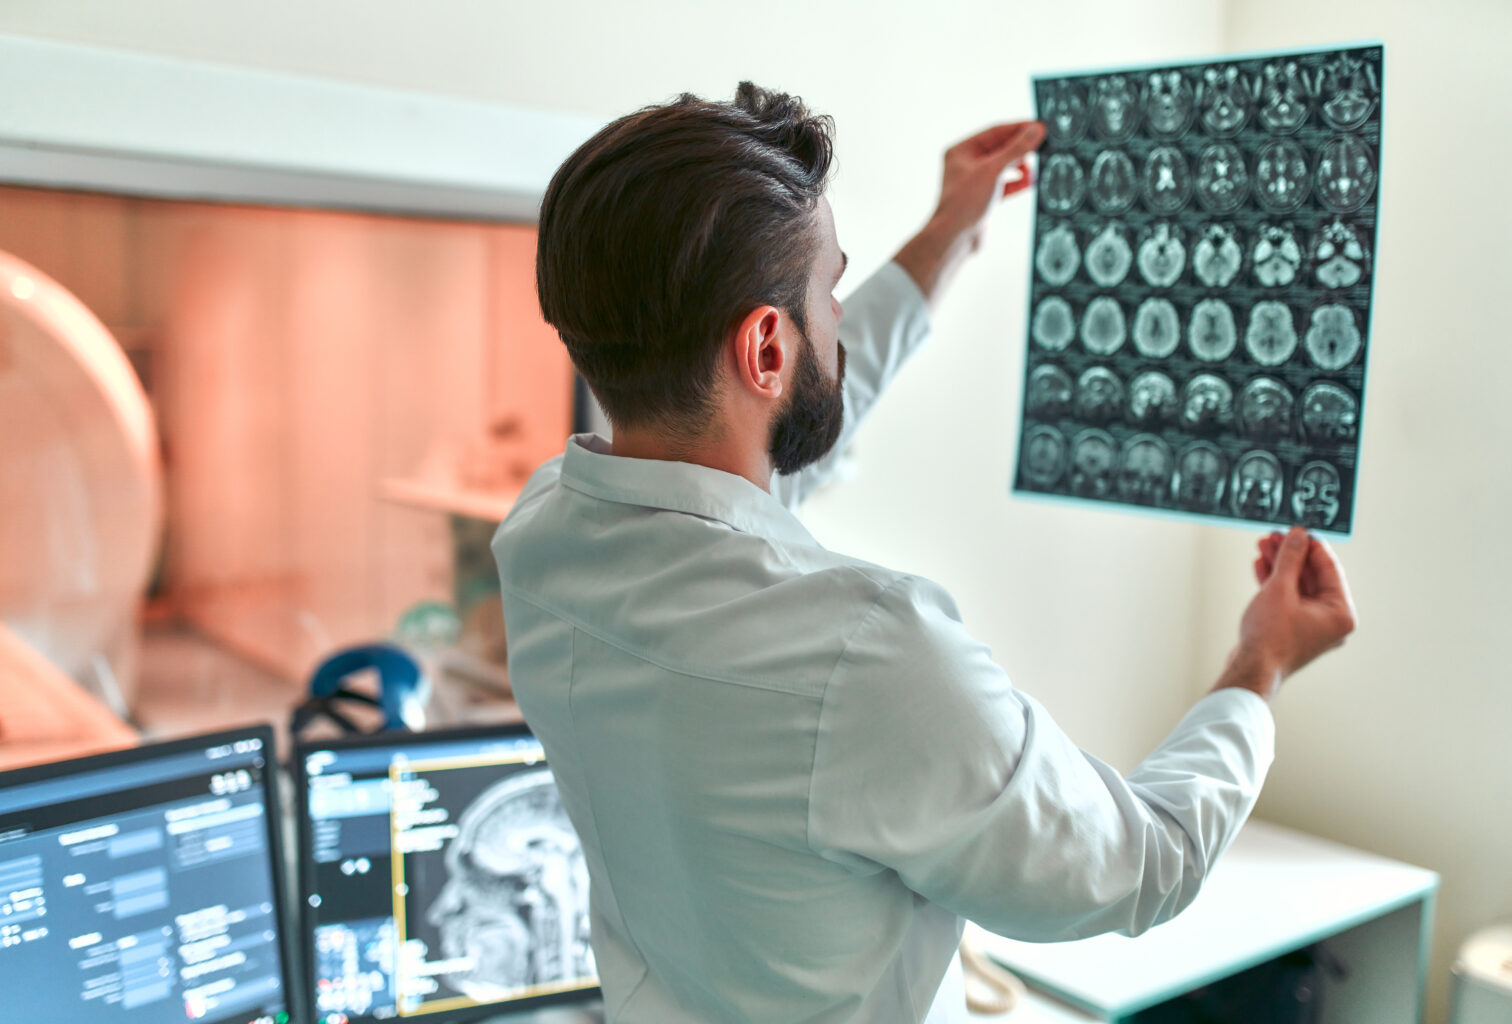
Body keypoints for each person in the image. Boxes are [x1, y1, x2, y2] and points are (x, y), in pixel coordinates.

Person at [490, 83, 1357, 1024]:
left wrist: (946, 238)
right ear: (767, 350)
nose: (839, 321)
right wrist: (1258, 664)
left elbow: (747, 454)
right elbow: (1143, 864)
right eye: (830, 289)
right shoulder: (866, 653)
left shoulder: (543, 537)